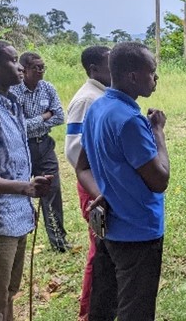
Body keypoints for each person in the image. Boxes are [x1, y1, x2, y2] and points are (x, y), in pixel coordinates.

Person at [75, 42, 169, 321]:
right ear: (132, 76)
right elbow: (160, 180)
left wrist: (100, 194)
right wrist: (158, 132)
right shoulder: (130, 121)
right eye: (152, 72)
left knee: (104, 303)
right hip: (138, 232)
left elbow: (81, 167)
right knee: (136, 308)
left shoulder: (97, 108)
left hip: (110, 230)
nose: (155, 79)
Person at [0, 40, 52, 321]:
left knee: (8, 292)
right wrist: (24, 187)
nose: (20, 67)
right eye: (12, 60)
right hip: (0, 222)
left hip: (18, 215)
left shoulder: (12, 105)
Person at [64, 45, 111, 320]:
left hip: (102, 185)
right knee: (99, 248)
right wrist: (98, 189)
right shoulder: (87, 99)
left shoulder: (102, 95)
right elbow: (74, 151)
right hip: (94, 188)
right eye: (109, 63)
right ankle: (89, 311)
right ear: (94, 69)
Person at [11, 51, 70, 252]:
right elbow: (18, 127)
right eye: (36, 67)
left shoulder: (48, 88)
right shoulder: (14, 92)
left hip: (44, 146)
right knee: (23, 190)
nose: (41, 70)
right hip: (22, 147)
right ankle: (20, 236)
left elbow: (60, 117)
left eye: (43, 66)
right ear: (24, 69)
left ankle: (59, 241)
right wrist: (44, 117)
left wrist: (40, 119)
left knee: (52, 191)